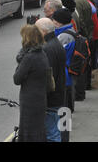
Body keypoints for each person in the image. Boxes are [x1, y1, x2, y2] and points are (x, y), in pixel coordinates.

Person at [13, 24, 50, 142]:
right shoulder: (42, 53)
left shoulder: (29, 57)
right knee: (38, 131)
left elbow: (16, 79)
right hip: (40, 98)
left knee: (28, 132)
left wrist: (21, 61)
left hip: (29, 101)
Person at [35, 18, 66, 142]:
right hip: (58, 95)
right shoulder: (56, 43)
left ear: (43, 31)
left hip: (51, 100)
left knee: (51, 135)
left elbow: (48, 77)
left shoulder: (47, 49)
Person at [52, 8, 76, 142]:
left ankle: (64, 139)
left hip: (64, 78)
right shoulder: (68, 32)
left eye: (54, 20)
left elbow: (55, 54)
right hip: (67, 76)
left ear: (59, 22)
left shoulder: (64, 36)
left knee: (63, 112)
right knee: (65, 110)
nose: (52, 22)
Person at [66, 0, 93, 101]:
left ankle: (79, 93)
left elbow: (80, 21)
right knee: (83, 65)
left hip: (81, 36)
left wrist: (81, 35)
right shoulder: (84, 0)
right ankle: (83, 91)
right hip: (86, 35)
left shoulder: (76, 3)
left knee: (78, 67)